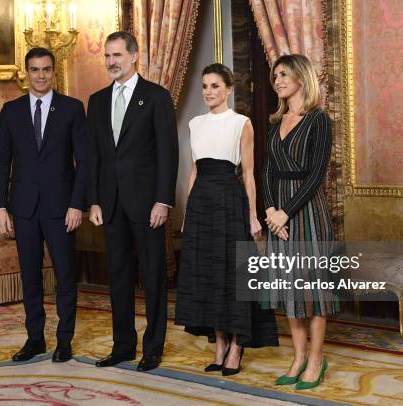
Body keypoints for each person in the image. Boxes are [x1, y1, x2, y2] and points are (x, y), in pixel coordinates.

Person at [174, 63, 278, 376]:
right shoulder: (195, 123)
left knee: (232, 275)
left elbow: (248, 174)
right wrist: (188, 212)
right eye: (205, 86)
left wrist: (252, 216)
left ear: (229, 89)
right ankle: (219, 343)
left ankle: (237, 346)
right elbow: (193, 171)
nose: (208, 92)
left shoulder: (241, 123)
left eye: (215, 86)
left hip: (229, 201)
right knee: (208, 274)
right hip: (202, 203)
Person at [86, 31, 178, 372]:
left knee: (153, 275)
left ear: (134, 56)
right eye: (108, 56)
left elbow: (168, 153)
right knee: (119, 276)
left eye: (118, 55)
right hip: (109, 205)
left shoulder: (156, 96)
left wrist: (163, 201)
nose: (112, 61)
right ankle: (123, 345)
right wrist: (93, 201)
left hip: (147, 203)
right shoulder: (96, 101)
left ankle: (153, 347)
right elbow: (93, 156)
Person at [0, 47, 87, 363]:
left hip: (62, 209)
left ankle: (64, 341)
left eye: (46, 69)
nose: (41, 75)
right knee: (29, 276)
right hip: (24, 208)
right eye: (35, 70)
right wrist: (0, 207)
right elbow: (1, 163)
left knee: (65, 276)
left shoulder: (72, 109)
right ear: (26, 73)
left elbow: (83, 162)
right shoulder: (11, 111)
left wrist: (78, 205)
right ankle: (35, 339)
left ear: (53, 72)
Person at [262, 54, 336, 390]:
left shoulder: (318, 119)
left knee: (311, 291)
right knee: (288, 289)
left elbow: (316, 174)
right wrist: (270, 212)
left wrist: (285, 211)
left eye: (284, 74)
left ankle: (316, 360)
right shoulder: (275, 121)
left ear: (301, 79)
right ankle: (298, 357)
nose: (277, 80)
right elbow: (266, 171)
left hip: (306, 213)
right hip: (278, 216)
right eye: (275, 75)